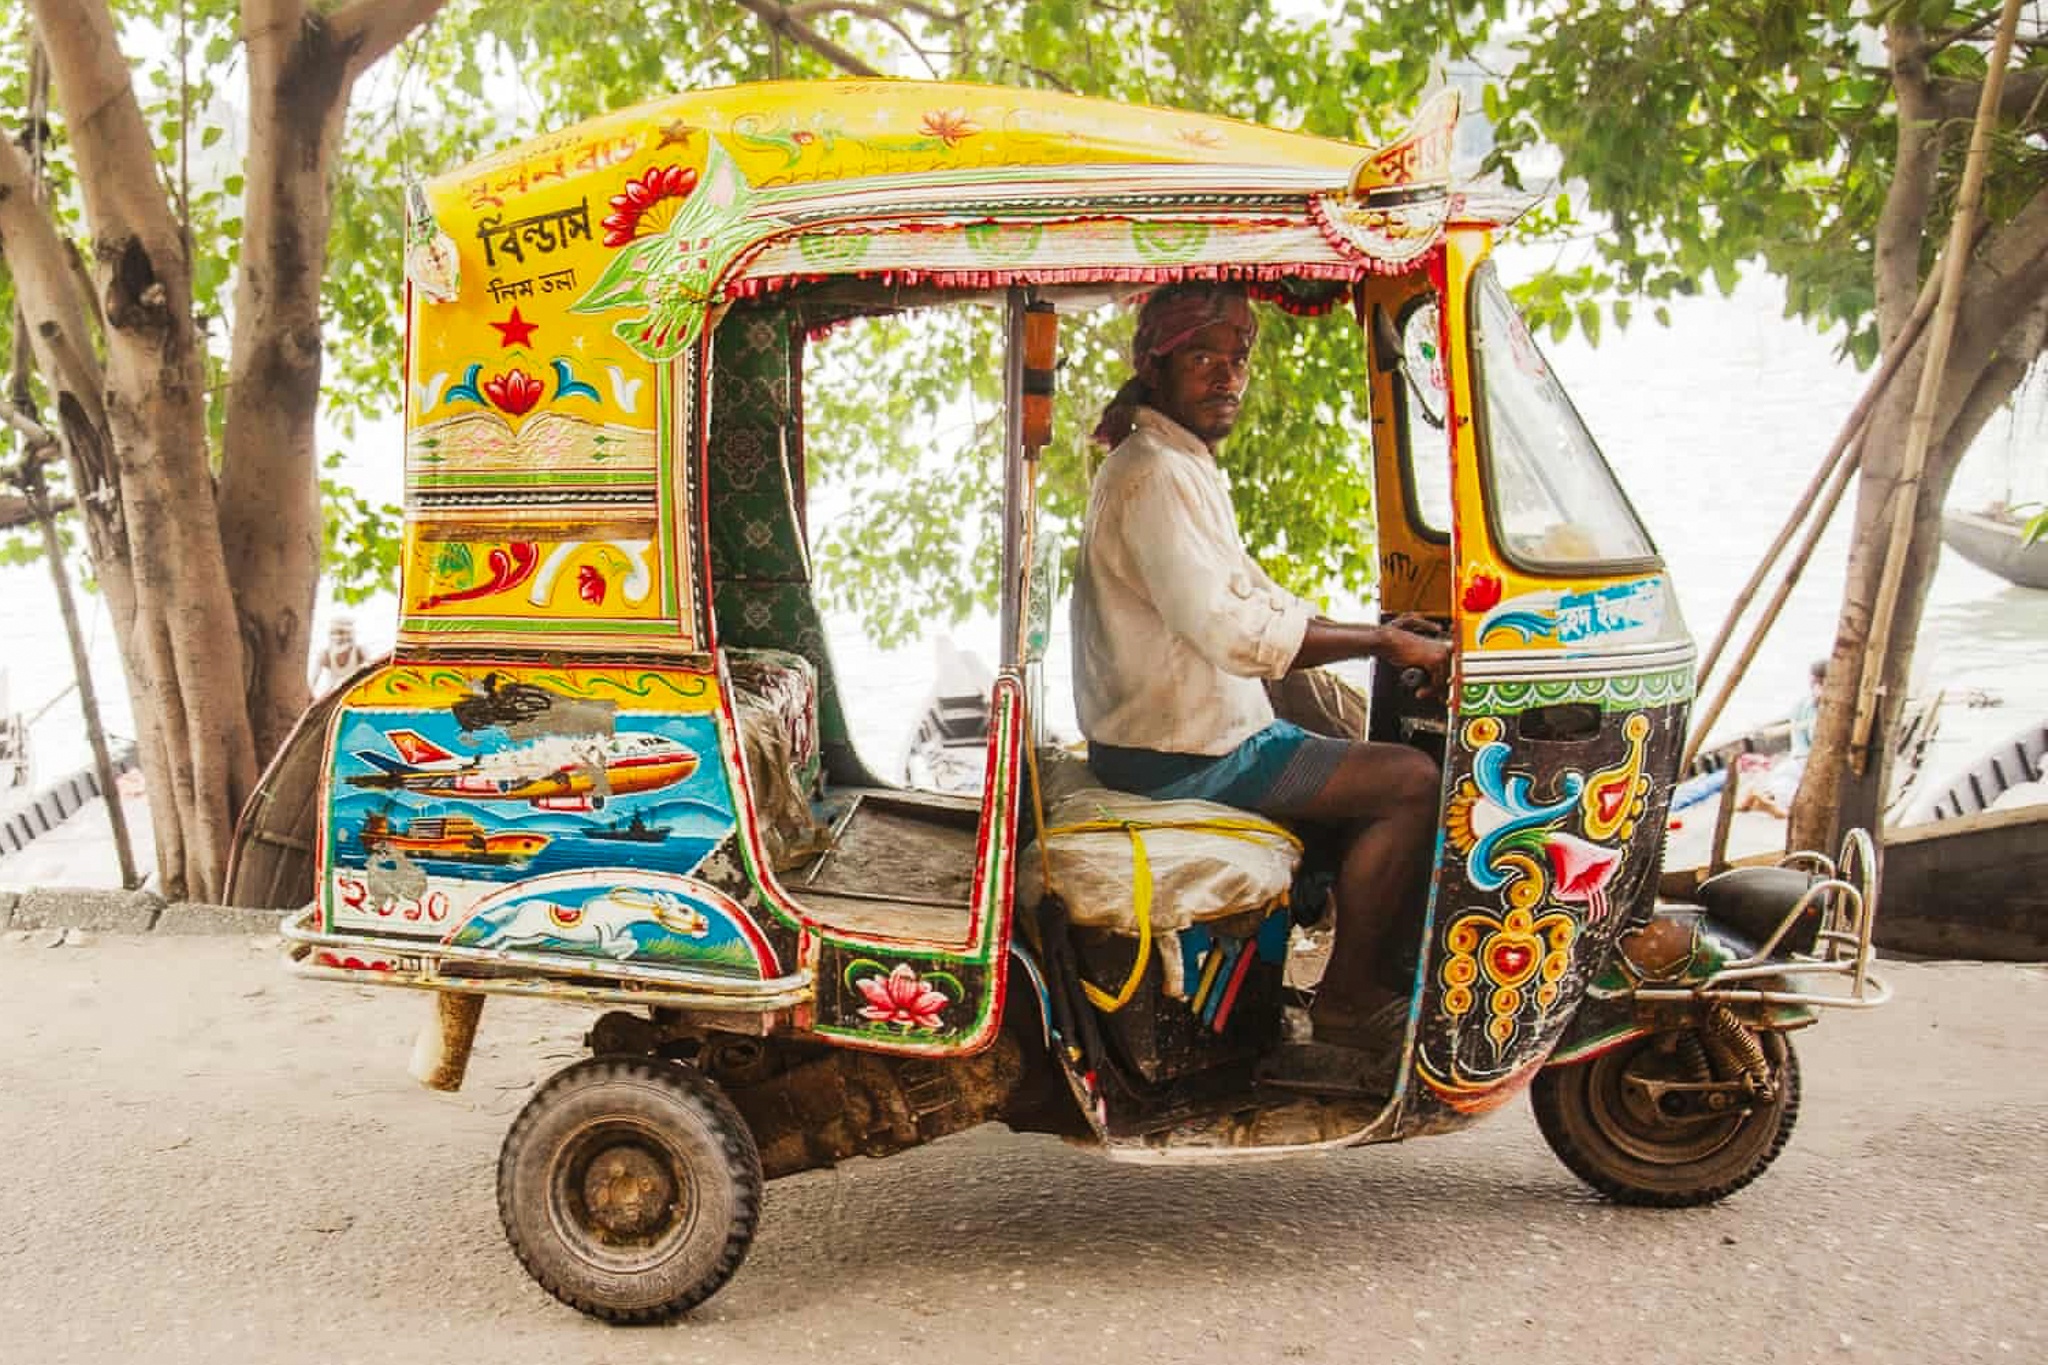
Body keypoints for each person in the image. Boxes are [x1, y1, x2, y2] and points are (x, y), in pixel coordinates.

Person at [1070, 281, 1452, 1096]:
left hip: (1176, 735)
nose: (1227, 376)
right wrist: (1383, 641)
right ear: (1155, 365)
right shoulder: (1154, 473)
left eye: (1238, 356)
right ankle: (1350, 1000)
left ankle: (1349, 967)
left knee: (1342, 733)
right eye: (1204, 356)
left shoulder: (1176, 462)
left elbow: (1249, 595)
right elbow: (1230, 629)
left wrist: (1373, 631)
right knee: (1414, 784)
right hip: (1184, 754)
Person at [309, 615, 370, 695]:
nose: (339, 638)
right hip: (334, 695)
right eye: (335, 633)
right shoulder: (325, 654)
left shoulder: (360, 651)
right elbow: (312, 684)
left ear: (351, 635)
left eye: (343, 633)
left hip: (354, 693)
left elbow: (371, 672)